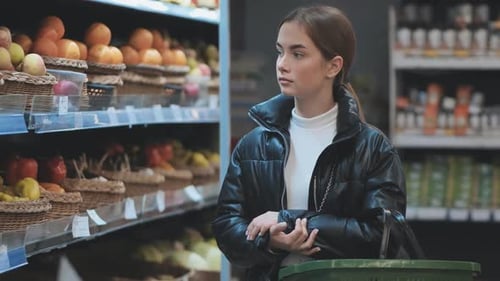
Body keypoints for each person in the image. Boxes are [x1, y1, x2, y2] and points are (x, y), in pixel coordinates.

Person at [212, 4, 419, 281]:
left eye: (298, 54)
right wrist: (270, 243)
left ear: (333, 65)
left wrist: (287, 220)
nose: (282, 64)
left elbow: (384, 237)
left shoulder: (373, 148)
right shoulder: (255, 145)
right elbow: (226, 228)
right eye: (279, 51)